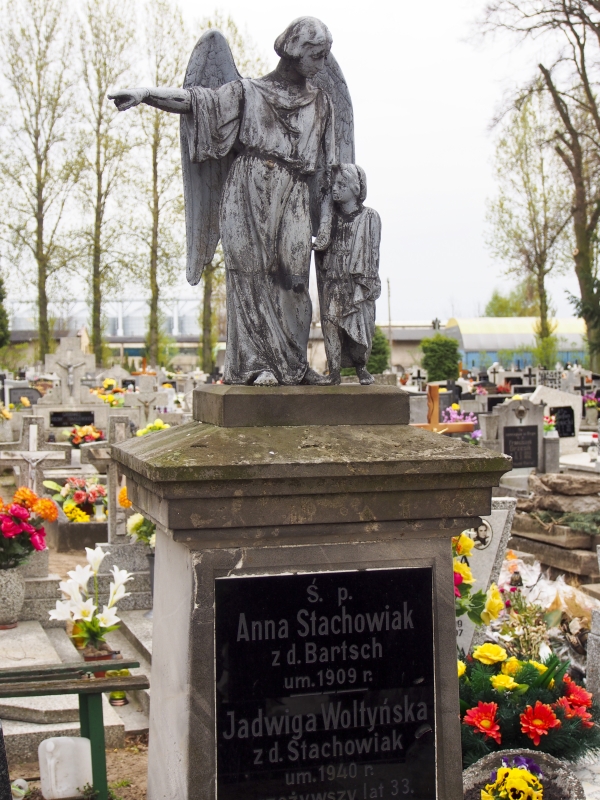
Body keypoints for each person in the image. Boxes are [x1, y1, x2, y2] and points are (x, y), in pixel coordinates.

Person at [109, 17, 337, 386]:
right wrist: (146, 94)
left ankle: (295, 365)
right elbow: (197, 102)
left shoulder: (322, 102)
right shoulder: (248, 92)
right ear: (294, 51)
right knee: (250, 277)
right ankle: (256, 365)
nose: (322, 64)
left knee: (295, 280)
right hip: (248, 189)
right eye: (317, 55)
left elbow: (329, 170)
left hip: (294, 191)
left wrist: (325, 221)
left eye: (325, 56)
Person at [316, 164, 381, 384]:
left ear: (355, 188)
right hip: (334, 278)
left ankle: (361, 367)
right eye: (334, 184)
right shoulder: (330, 218)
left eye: (341, 185)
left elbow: (372, 252)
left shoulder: (370, 217)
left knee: (360, 326)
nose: (335, 189)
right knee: (331, 323)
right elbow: (322, 246)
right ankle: (334, 371)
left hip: (358, 281)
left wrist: (367, 282)